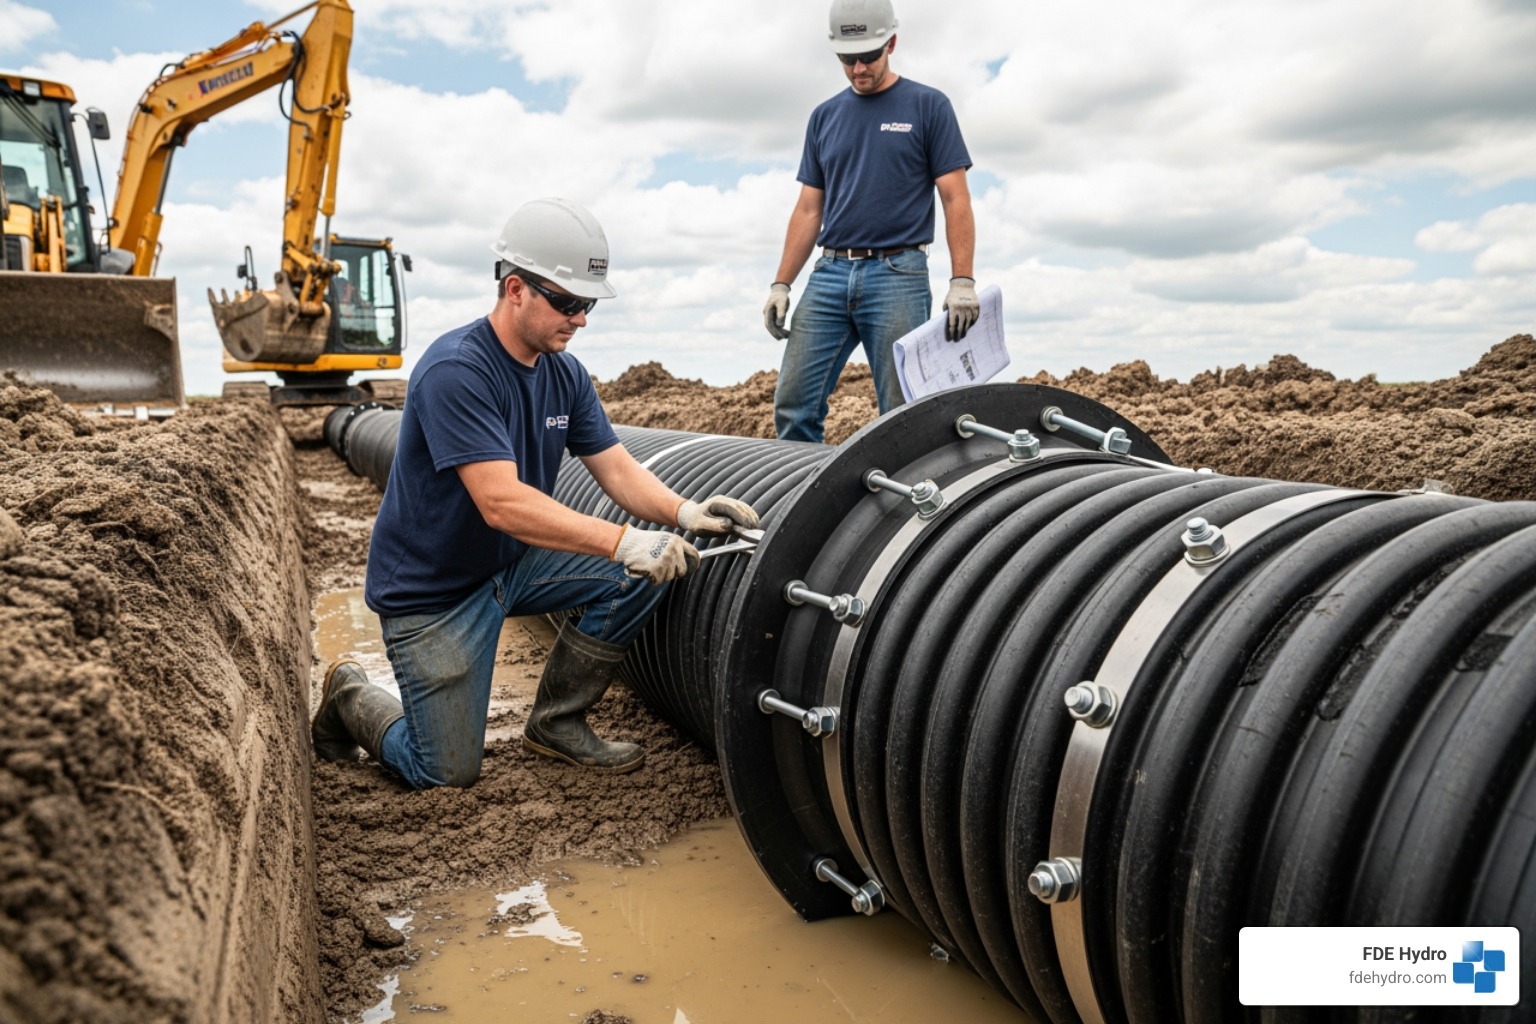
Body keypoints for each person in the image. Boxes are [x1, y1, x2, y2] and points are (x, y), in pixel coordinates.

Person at [311, 198, 759, 784]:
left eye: (588, 304)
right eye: (568, 303)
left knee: (640, 571)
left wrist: (684, 511)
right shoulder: (458, 371)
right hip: (436, 594)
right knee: (443, 772)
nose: (580, 319)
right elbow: (502, 503)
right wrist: (624, 541)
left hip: (510, 565)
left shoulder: (564, 373)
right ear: (516, 288)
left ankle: (557, 723)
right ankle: (350, 695)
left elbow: (618, 470)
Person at [764, 0, 980, 443]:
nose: (858, 68)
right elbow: (809, 209)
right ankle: (807, 508)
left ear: (891, 43)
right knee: (793, 404)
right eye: (847, 58)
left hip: (898, 275)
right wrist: (781, 283)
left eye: (868, 56)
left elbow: (955, 198)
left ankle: (906, 507)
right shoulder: (824, 117)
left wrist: (963, 280)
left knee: (902, 413)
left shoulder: (928, 106)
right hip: (829, 275)